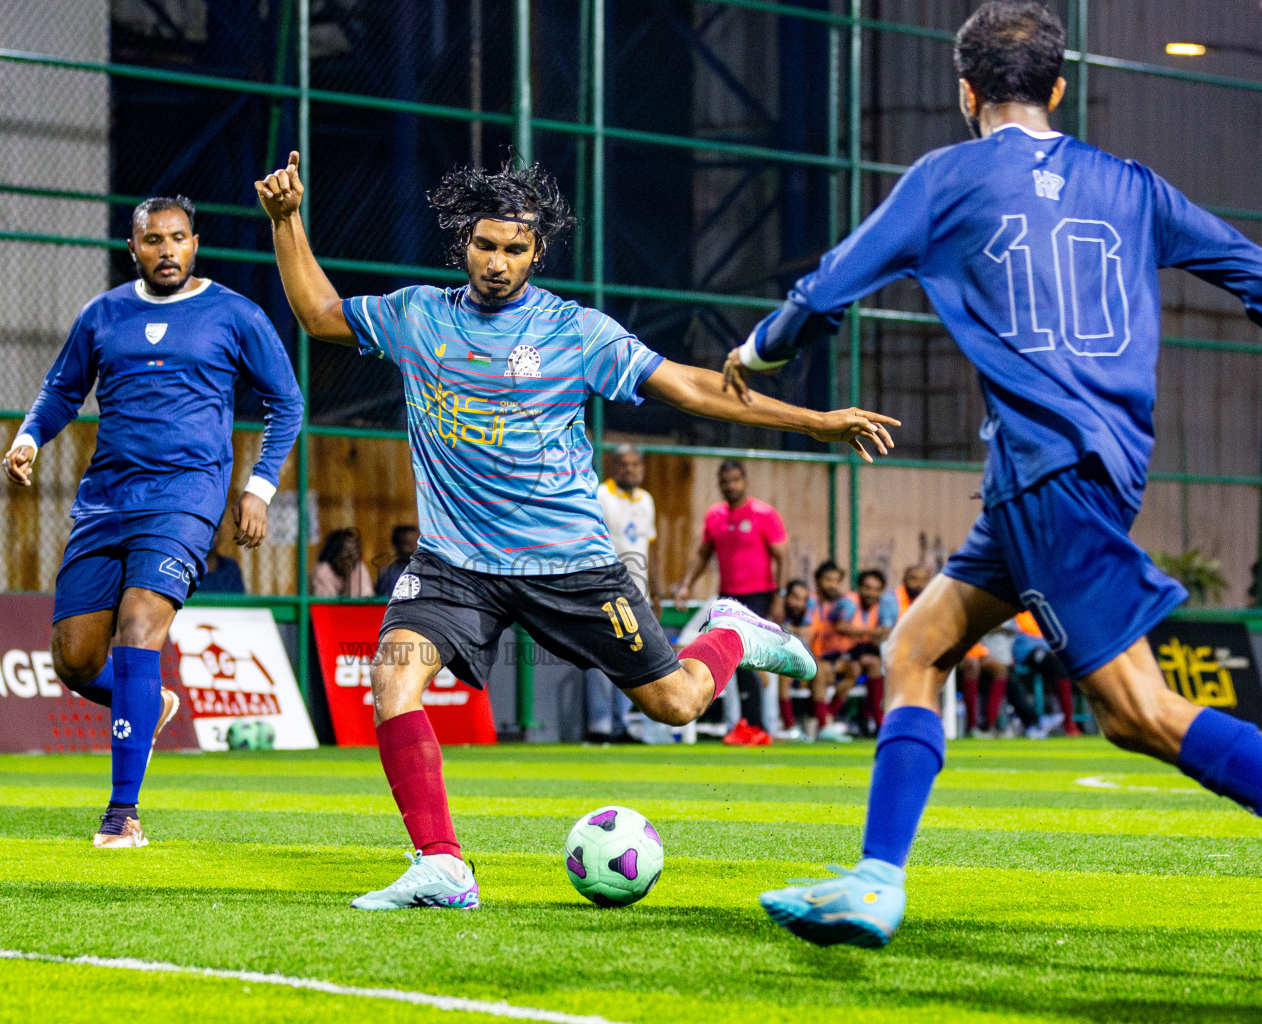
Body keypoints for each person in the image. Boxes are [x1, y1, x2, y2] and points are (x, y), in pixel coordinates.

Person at [738, 2, 1262, 948]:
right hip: (1093, 471)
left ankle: (874, 883)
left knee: (1139, 715)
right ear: (1060, 88)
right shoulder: (1132, 183)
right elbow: (1250, 272)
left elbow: (827, 289)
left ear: (965, 89)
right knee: (916, 648)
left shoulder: (947, 178)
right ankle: (875, 880)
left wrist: (759, 351)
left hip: (1044, 473)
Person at [257, 151, 896, 910]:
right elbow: (319, 314)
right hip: (455, 564)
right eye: (485, 245)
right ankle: (442, 865)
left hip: (571, 567)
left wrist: (813, 421)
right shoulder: (416, 316)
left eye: (515, 249)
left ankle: (729, 632)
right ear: (463, 241)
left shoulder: (574, 330)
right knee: (393, 677)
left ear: (539, 251)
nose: (498, 263)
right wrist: (287, 221)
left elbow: (689, 387)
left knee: (676, 704)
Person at [3, 195, 302, 849]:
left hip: (186, 498)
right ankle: (151, 704)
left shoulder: (234, 314)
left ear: (195, 243)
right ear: (132, 247)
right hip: (105, 499)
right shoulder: (102, 315)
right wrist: (30, 437)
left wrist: (257, 487)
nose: (166, 250)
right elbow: (61, 391)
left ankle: (122, 812)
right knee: (76, 661)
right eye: (152, 240)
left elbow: (287, 401)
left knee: (138, 629)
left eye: (178, 238)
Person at [675, 460, 788, 745]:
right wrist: (687, 584)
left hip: (759, 595)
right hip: (728, 598)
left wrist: (780, 597)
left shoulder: (764, 514)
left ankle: (757, 726)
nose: (731, 485)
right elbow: (703, 554)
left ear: (745, 481)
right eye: (725, 481)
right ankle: (748, 726)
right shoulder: (715, 516)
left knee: (747, 659)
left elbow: (782, 557)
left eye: (736, 480)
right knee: (736, 661)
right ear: (720, 483)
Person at [585, 446, 657, 743]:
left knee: (633, 660)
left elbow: (650, 547)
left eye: (635, 464)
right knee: (601, 660)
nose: (631, 469)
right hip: (605, 591)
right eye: (624, 464)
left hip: (639, 594)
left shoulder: (646, 500)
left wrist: (657, 591)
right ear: (614, 466)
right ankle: (599, 726)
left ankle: (623, 724)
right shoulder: (601, 495)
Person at [828, 569, 898, 735]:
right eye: (867, 588)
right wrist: (874, 633)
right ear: (858, 588)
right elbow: (841, 627)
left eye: (876, 589)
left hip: (855, 655)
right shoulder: (849, 602)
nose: (871, 593)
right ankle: (829, 718)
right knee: (865, 666)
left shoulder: (881, 606)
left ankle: (872, 720)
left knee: (872, 665)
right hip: (832, 653)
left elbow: (885, 633)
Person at [805, 561, 859, 741]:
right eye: (828, 579)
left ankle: (827, 718)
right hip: (808, 657)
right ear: (818, 580)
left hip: (832, 658)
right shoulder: (809, 601)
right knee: (821, 671)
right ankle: (824, 725)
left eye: (837, 581)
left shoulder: (842, 604)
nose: (832, 585)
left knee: (854, 669)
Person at [773, 579, 815, 740]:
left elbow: (808, 637)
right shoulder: (775, 612)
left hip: (797, 663)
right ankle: (788, 726)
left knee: (821, 671)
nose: (799, 604)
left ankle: (823, 725)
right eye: (795, 598)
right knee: (785, 675)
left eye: (803, 600)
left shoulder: (805, 616)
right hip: (773, 664)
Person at [313, 527, 373, 597]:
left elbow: (365, 601)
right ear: (334, 553)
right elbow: (328, 605)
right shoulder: (323, 571)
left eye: (355, 551)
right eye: (347, 551)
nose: (353, 557)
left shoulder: (358, 567)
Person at [374, 525, 421, 597]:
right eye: (407, 543)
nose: (415, 547)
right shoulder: (388, 574)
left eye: (417, 542)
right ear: (398, 545)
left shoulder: (429, 570)